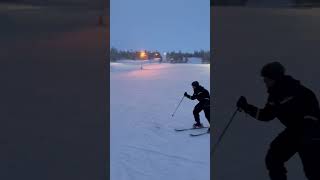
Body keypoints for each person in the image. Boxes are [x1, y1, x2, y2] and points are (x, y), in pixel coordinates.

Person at [236, 62, 320, 180]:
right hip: (295, 132)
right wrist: (246, 107)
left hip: (311, 135)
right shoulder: (275, 96)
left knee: (313, 171)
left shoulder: (299, 91)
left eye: (266, 79)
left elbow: (313, 114)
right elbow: (266, 115)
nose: (265, 82)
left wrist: (308, 132)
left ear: (275, 78)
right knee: (273, 158)